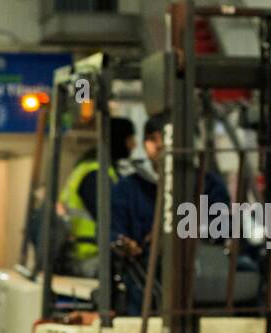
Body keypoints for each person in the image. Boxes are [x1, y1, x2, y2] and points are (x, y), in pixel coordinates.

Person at [110, 112, 234, 313]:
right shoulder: (128, 188)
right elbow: (114, 231)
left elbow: (222, 229)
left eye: (166, 138)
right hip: (146, 269)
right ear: (144, 144)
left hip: (198, 263)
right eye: (152, 138)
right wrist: (126, 243)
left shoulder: (208, 184)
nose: (160, 145)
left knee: (247, 269)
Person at [56, 116, 136, 274]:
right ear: (119, 141)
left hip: (93, 251)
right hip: (89, 254)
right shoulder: (96, 175)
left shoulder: (99, 169)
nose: (134, 146)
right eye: (130, 140)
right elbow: (111, 218)